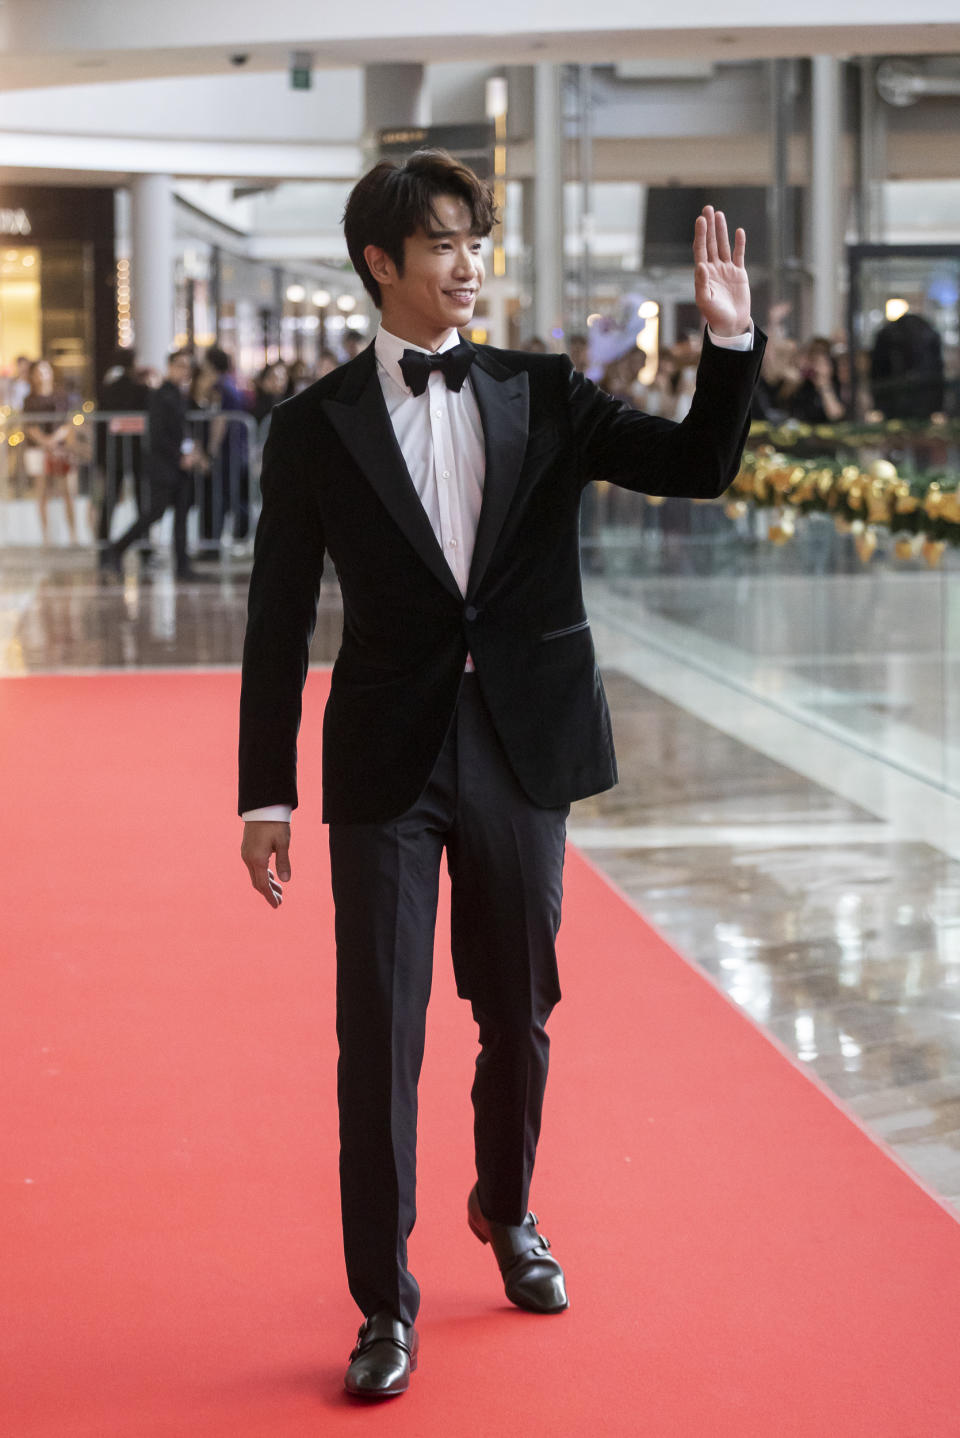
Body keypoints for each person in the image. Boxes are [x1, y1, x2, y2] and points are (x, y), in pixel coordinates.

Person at [238, 148, 763, 1400]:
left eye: (477, 242)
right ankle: (385, 1304)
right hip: (385, 755)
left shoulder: (544, 392)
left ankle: (508, 1207)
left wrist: (730, 352)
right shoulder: (313, 428)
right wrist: (265, 791)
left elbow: (699, 468)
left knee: (518, 1008)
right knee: (378, 1029)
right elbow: (274, 616)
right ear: (383, 263)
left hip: (524, 743)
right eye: (442, 244)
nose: (468, 265)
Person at [102, 349, 206, 580]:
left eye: (187, 366)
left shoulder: (181, 396)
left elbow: (185, 428)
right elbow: (158, 434)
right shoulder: (161, 395)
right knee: (155, 511)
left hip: (179, 465)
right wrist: (180, 455)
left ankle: (182, 566)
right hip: (164, 465)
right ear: (170, 366)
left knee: (181, 514)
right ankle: (118, 547)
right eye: (179, 365)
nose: (183, 371)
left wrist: (190, 453)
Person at [22, 359, 78, 545]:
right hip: (38, 449)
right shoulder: (29, 399)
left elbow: (67, 423)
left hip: (60, 449)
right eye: (38, 372)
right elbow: (30, 426)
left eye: (45, 371)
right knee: (42, 492)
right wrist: (45, 442)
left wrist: (54, 441)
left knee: (67, 491)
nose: (42, 376)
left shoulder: (61, 396)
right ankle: (45, 537)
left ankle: (73, 535)